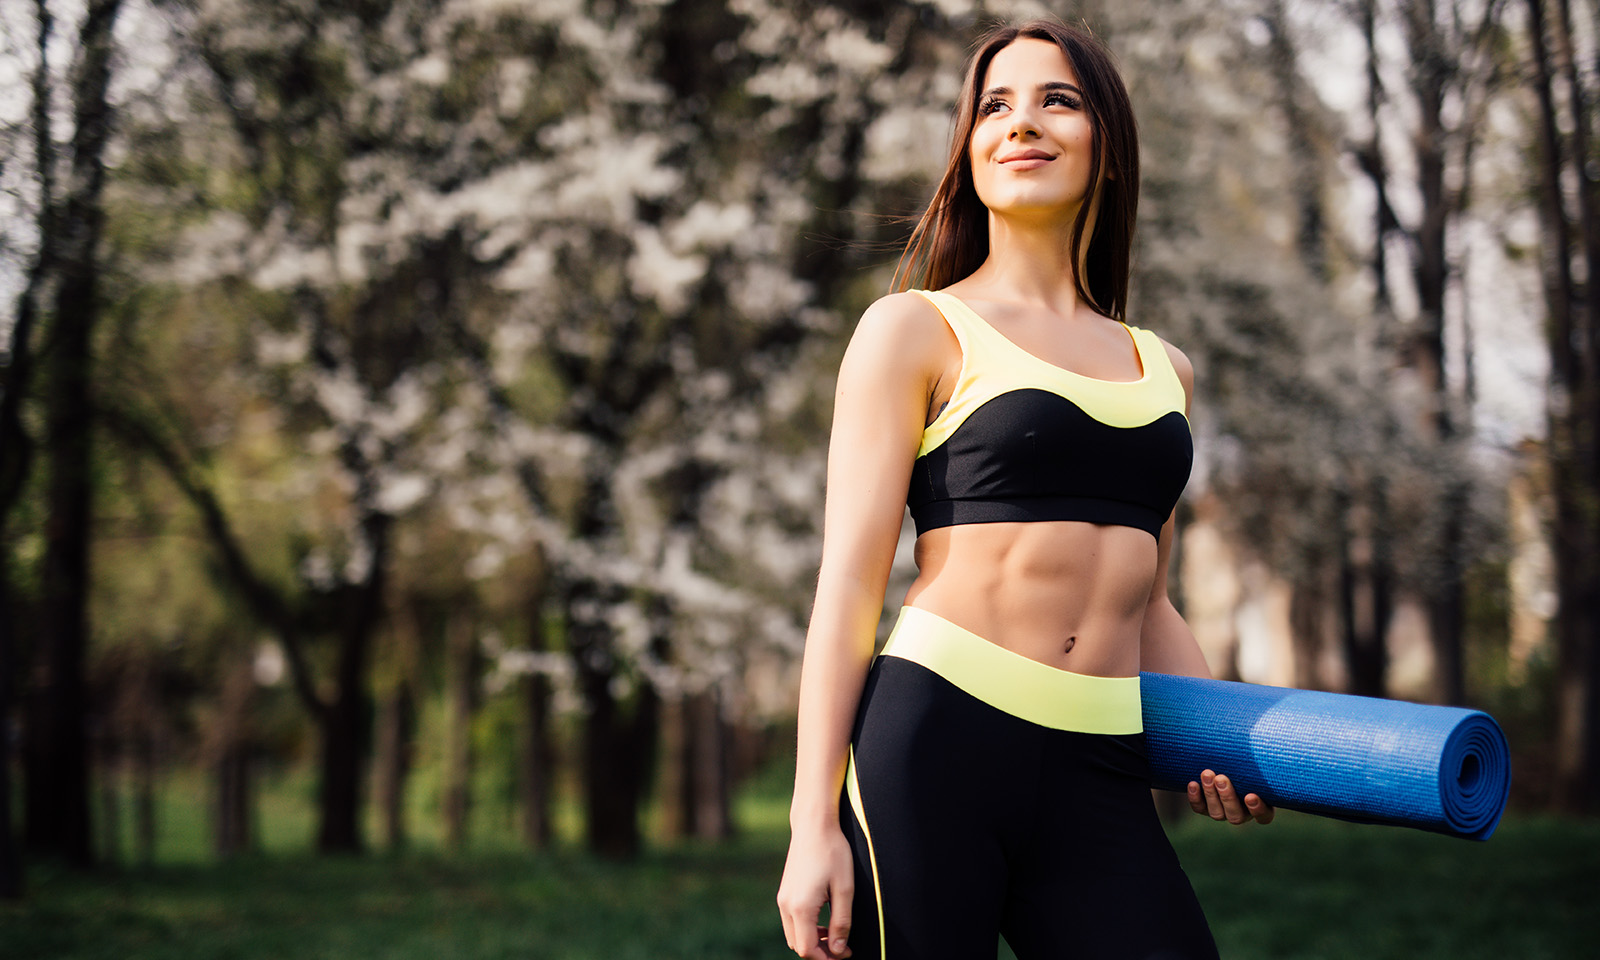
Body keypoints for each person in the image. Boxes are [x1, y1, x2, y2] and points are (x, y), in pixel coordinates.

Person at [775, 18, 1274, 960]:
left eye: (1059, 101)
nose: (1023, 124)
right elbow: (847, 582)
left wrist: (1222, 736)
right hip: (938, 741)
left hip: (1102, 762)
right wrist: (813, 824)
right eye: (995, 106)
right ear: (969, 153)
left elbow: (1149, 590)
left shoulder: (1165, 367)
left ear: (1110, 149)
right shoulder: (913, 329)